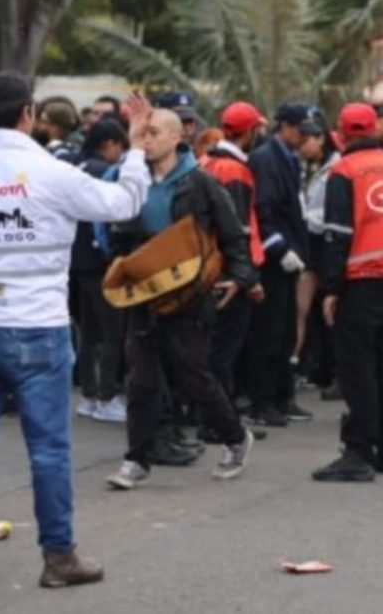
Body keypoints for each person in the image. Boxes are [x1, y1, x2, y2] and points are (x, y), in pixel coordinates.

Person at [0, 72, 151, 588]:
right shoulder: (53, 173)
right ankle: (58, 558)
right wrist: (136, 149)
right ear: (27, 114)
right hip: (40, 330)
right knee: (48, 451)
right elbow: (124, 203)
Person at [102, 105, 256, 492]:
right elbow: (115, 229)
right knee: (140, 379)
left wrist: (239, 277)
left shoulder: (200, 181)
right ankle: (136, 460)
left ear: (177, 137)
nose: (147, 140)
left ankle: (235, 437)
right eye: (143, 133)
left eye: (155, 133)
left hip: (189, 294)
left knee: (193, 374)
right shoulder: (131, 178)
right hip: (143, 292)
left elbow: (233, 232)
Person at [312, 104, 383, 482]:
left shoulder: (344, 171)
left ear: (341, 134)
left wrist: (331, 288)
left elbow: (337, 235)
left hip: (359, 281)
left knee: (357, 369)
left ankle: (359, 451)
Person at [246, 102, 315, 424]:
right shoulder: (266, 159)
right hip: (273, 261)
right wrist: (280, 250)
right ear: (285, 126)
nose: (306, 138)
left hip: (289, 257)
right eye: (301, 131)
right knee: (268, 333)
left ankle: (282, 396)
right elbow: (263, 211)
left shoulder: (288, 158)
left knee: (286, 331)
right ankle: (263, 401)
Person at [201, 102, 267, 420]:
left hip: (209, 267)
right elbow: (238, 230)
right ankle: (220, 420)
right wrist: (247, 279)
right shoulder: (235, 171)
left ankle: (211, 416)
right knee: (224, 351)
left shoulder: (206, 162)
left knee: (212, 348)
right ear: (250, 132)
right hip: (229, 273)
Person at [71, 119, 129, 423]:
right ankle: (107, 396)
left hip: (78, 260)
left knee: (90, 332)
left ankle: (89, 395)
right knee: (112, 331)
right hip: (99, 261)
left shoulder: (76, 167)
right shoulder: (102, 172)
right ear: (110, 144)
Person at [295, 121, 339, 397]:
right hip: (308, 242)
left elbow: (327, 210)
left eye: (306, 140)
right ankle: (311, 364)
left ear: (321, 138)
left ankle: (332, 368)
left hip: (325, 241)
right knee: (304, 308)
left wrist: (304, 218)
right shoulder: (304, 167)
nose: (301, 147)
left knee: (328, 306)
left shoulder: (335, 167)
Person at [36, 98, 81, 163]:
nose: (38, 123)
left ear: (54, 125)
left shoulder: (62, 152)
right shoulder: (49, 145)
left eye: (43, 121)